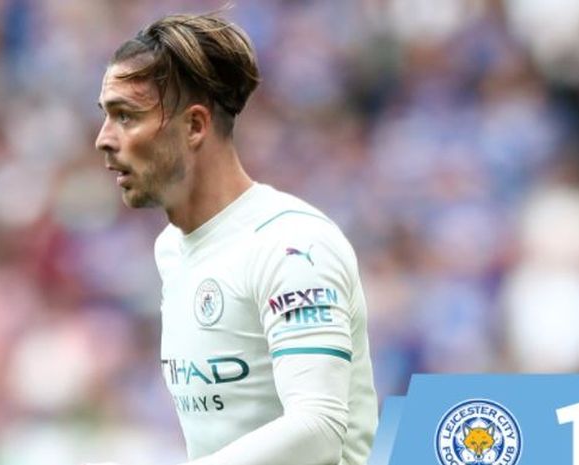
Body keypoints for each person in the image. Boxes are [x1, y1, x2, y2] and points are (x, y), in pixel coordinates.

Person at [92, 12, 378, 465]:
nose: (103, 140)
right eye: (106, 116)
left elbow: (319, 427)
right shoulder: (171, 250)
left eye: (126, 116)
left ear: (194, 126)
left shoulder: (292, 246)